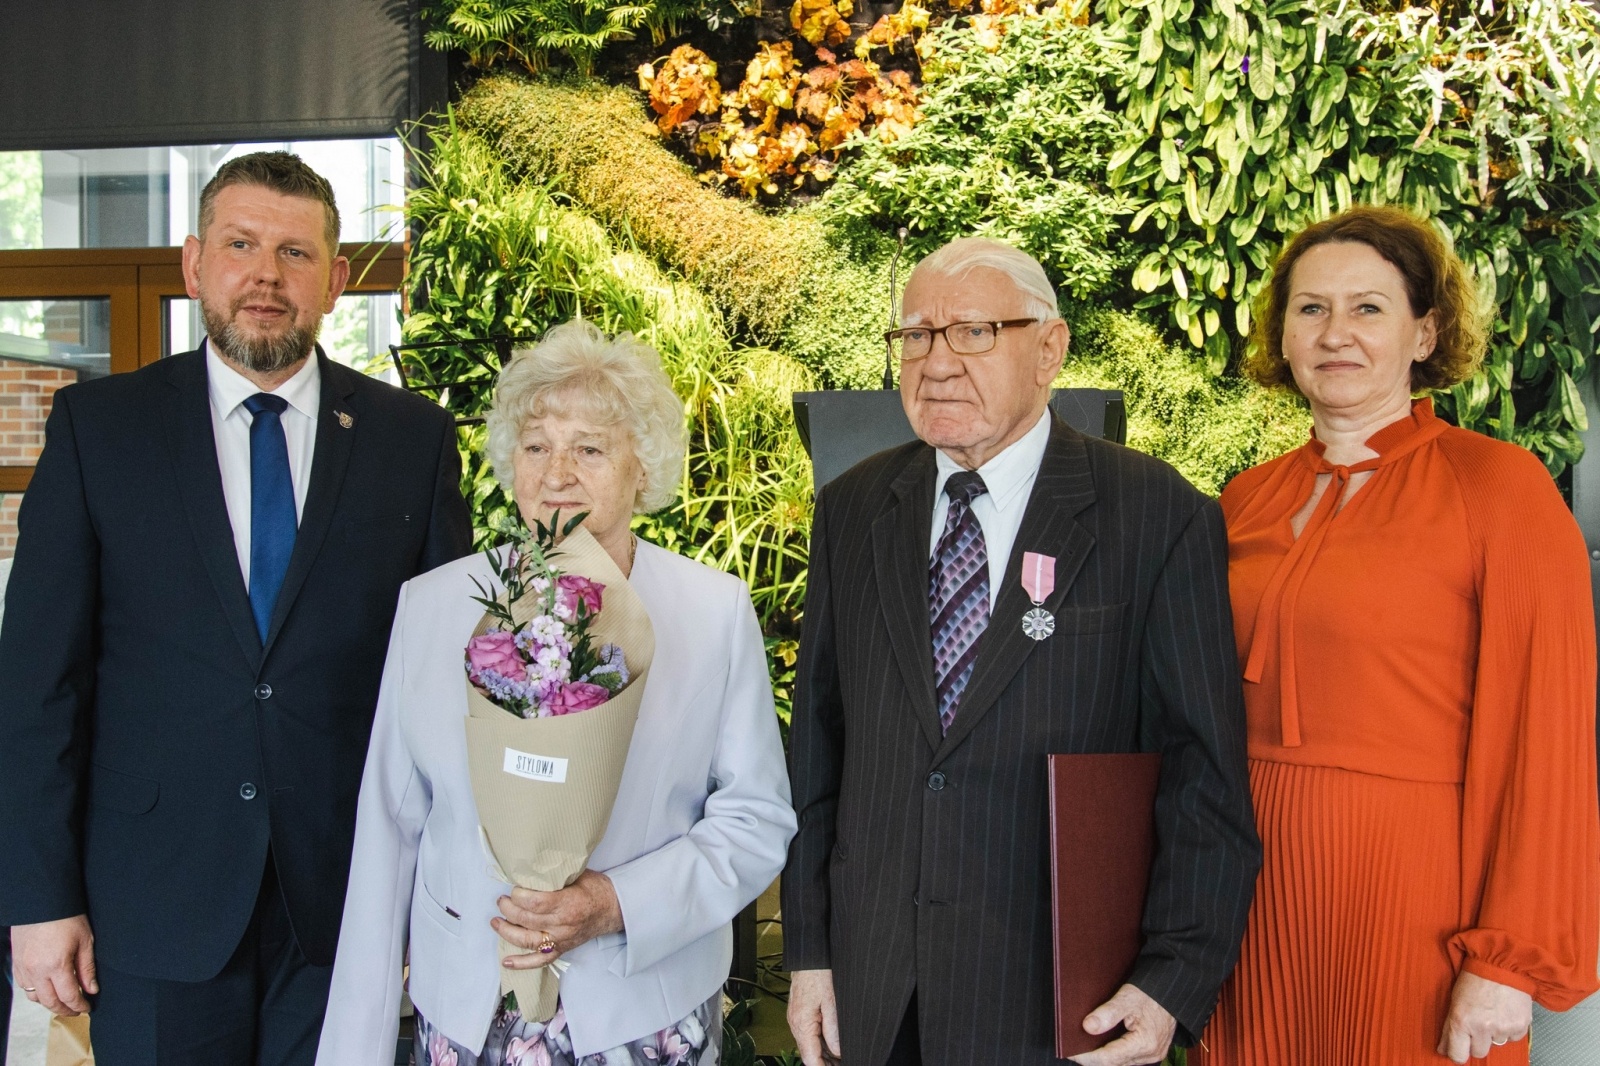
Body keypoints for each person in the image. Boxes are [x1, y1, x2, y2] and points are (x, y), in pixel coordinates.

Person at [0, 151, 473, 1065]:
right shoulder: (99, 430)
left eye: (296, 253)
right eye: (241, 244)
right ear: (194, 264)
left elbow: (442, 686)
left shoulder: (410, 440)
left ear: (335, 281)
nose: (266, 274)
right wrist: (39, 897)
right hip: (151, 905)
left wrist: (441, 898)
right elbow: (36, 688)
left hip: (347, 903)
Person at [783, 237, 1261, 1066]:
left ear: (1050, 349)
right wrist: (810, 952)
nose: (935, 362)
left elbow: (1203, 774)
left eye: (971, 332)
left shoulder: (1155, 514)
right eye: (916, 335)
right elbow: (818, 748)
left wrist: (1171, 980)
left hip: (1061, 998)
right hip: (876, 986)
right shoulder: (854, 508)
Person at [316, 319, 796, 1066]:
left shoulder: (712, 611)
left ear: (644, 467)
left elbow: (756, 818)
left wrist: (616, 904)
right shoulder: (435, 605)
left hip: (644, 1014)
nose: (557, 472)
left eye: (591, 448)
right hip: (468, 1007)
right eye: (536, 445)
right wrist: (356, 1046)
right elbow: (391, 826)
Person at [1192, 205, 1600, 1066]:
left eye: (1368, 308)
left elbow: (1548, 740)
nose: (1336, 333)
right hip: (1248, 892)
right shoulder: (1243, 501)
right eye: (1311, 309)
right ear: (1283, 335)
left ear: (1426, 332)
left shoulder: (1501, 491)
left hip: (1418, 900)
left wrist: (1506, 960)